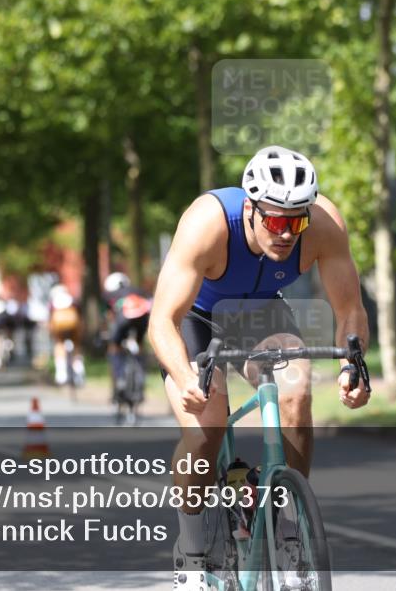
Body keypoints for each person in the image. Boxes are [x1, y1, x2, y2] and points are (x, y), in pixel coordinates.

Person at [148, 145, 371, 590]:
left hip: (260, 314)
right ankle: (192, 549)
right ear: (250, 208)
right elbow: (162, 321)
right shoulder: (208, 223)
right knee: (205, 430)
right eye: (274, 220)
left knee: (296, 391)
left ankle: (290, 526)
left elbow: (350, 310)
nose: (286, 233)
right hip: (197, 317)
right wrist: (185, 375)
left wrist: (355, 366)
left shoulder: (322, 225)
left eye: (296, 221)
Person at [103, 271, 152, 422]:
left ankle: (119, 377)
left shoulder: (110, 295)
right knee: (139, 344)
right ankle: (141, 373)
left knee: (114, 348)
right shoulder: (138, 290)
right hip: (142, 317)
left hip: (123, 319)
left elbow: (110, 317)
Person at [48, 284, 85, 387]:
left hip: (59, 325)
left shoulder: (53, 303)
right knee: (76, 347)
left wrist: (51, 332)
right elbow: (80, 314)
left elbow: (50, 319)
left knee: (59, 344)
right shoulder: (72, 300)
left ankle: (61, 373)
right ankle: (79, 373)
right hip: (74, 324)